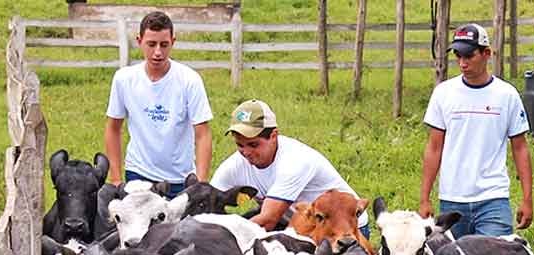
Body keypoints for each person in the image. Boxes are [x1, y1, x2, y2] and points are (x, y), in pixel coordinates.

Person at [419, 23, 534, 239]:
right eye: (457, 56)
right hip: (452, 199)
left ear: (486, 54)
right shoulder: (443, 94)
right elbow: (434, 148)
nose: (462, 63)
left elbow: (520, 148)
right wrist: (424, 198)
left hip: (493, 199)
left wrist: (527, 198)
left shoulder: (507, 95)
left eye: (469, 56)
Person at [209, 99, 370, 237]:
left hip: (345, 230)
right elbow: (207, 200)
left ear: (273, 136)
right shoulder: (233, 166)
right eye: (239, 145)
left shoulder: (295, 161)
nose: (246, 152)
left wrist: (223, 239)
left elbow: (267, 221)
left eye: (253, 144)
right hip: (298, 227)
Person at [104, 11, 213, 198]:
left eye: (164, 45)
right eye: (151, 44)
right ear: (139, 41)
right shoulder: (124, 79)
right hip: (138, 175)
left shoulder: (189, 80)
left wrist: (200, 184)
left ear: (173, 41)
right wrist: (115, 178)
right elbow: (113, 128)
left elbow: (203, 133)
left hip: (179, 179)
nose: (157, 52)